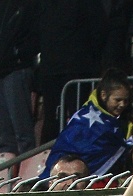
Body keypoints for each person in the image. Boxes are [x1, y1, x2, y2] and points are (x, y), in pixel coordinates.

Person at [39, 68, 133, 181]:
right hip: (67, 184)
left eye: (126, 100)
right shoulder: (83, 122)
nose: (122, 105)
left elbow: (124, 153)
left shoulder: (120, 123)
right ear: (104, 95)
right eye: (118, 100)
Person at [34, 0, 107, 143]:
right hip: (51, 70)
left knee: (79, 117)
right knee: (52, 121)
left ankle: (79, 156)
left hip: (77, 70)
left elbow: (99, 31)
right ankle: (49, 159)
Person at [0, 0, 38, 155]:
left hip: (16, 71)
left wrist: (18, 55)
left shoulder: (29, 4)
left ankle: (28, 175)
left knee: (23, 133)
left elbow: (37, 36)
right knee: (0, 135)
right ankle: (7, 174)